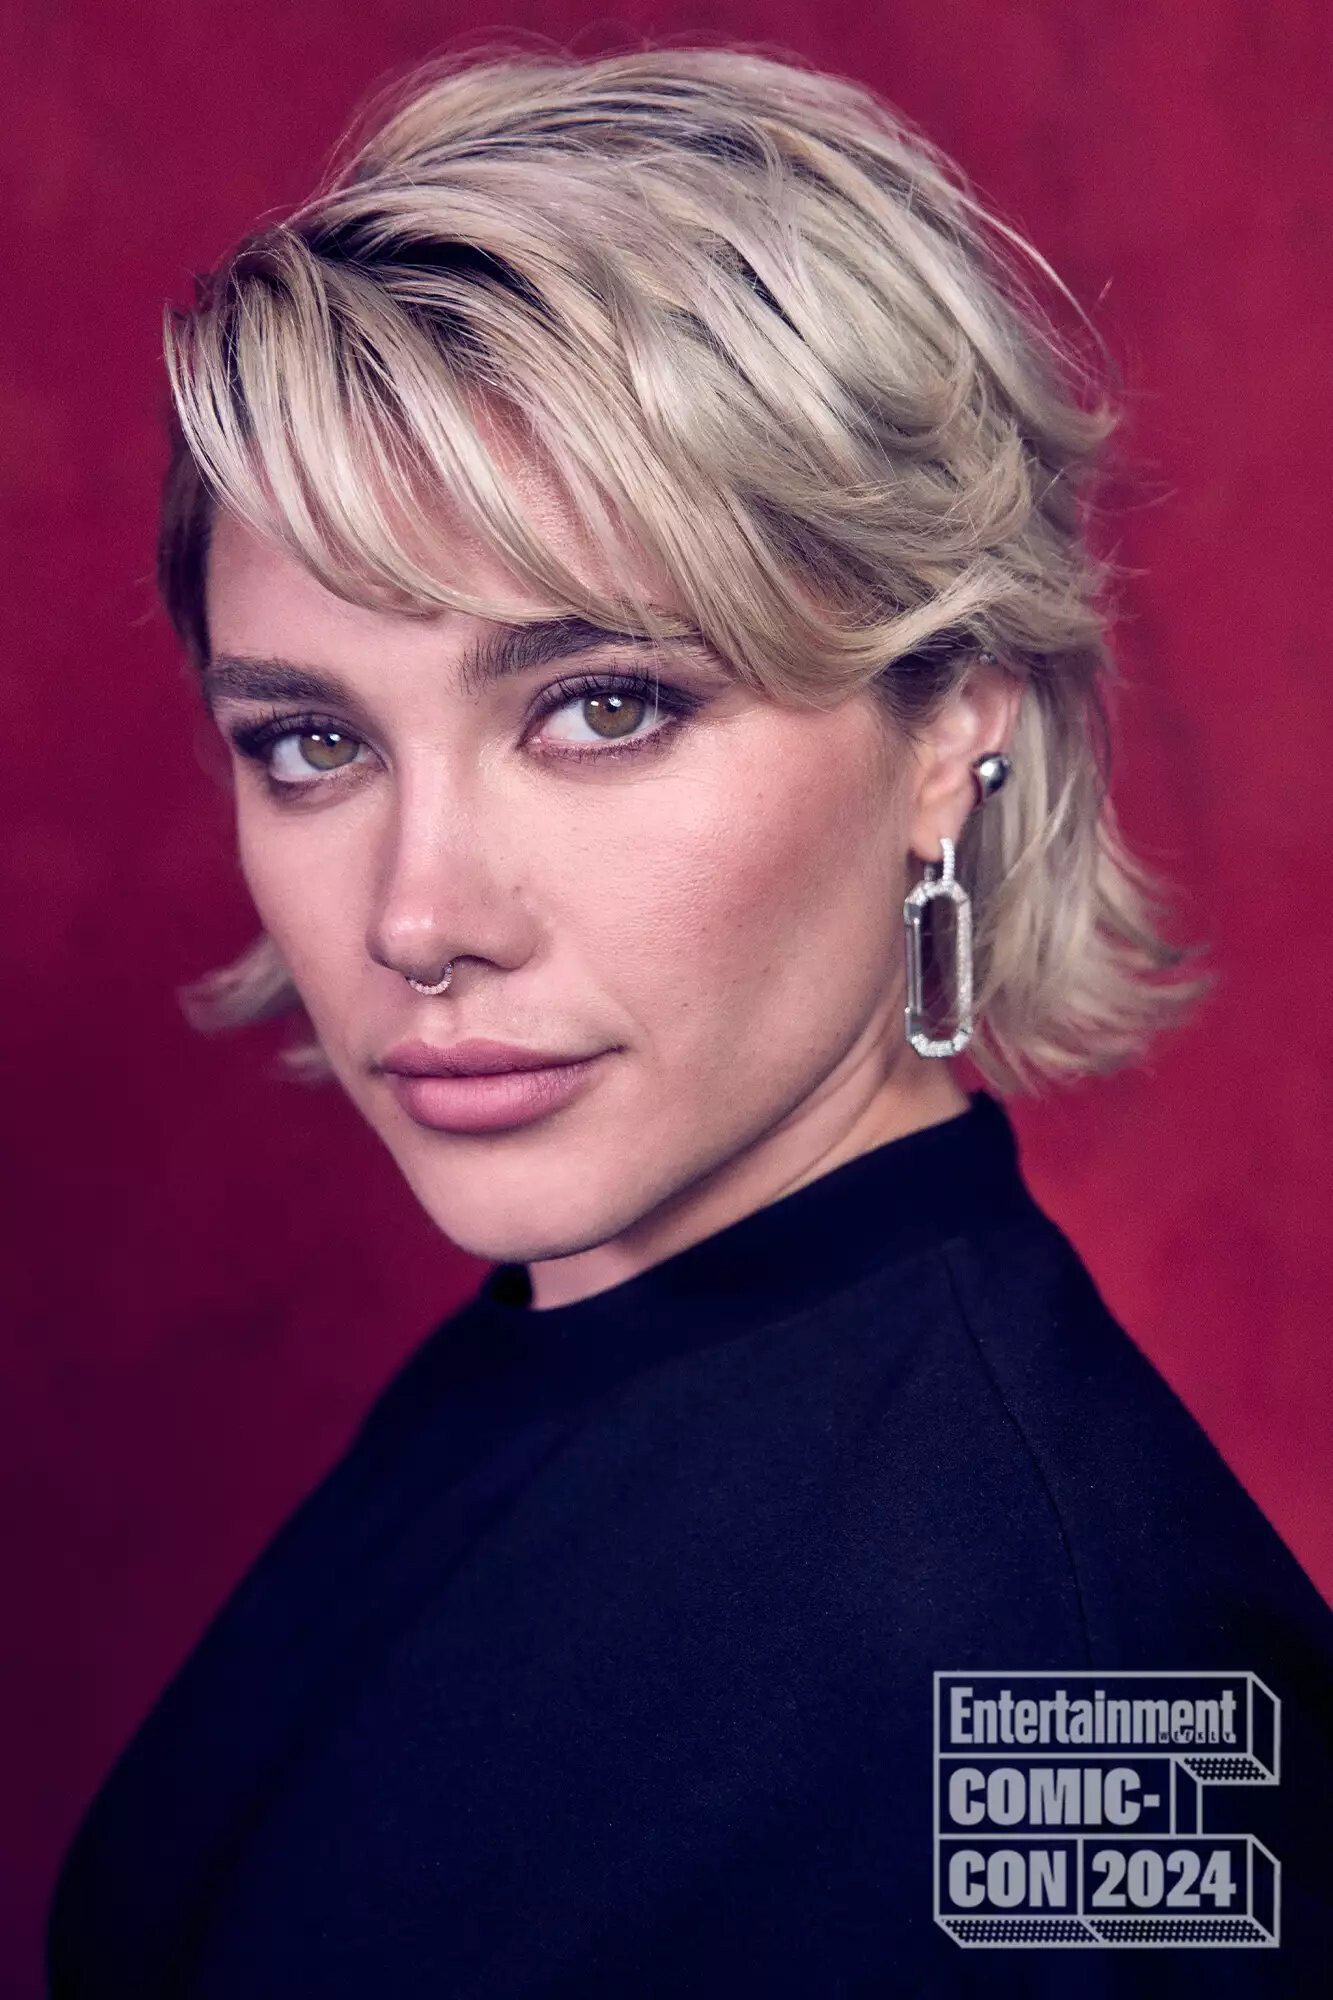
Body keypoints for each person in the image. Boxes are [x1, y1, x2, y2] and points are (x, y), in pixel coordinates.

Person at [46, 46, 1332, 2000]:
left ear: (946, 733)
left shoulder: (1074, 1677)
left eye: (605, 704)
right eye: (311, 742)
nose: (417, 917)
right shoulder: (573, 1348)